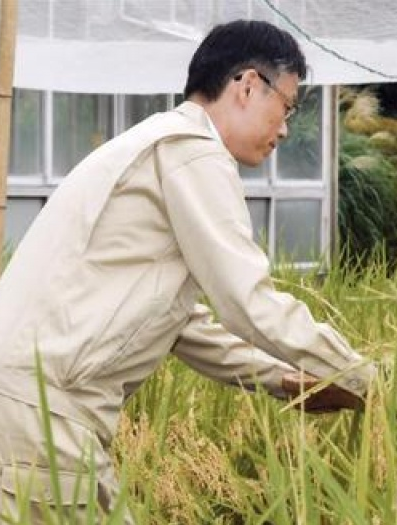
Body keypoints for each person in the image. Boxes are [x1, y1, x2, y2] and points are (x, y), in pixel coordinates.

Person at [0, 20, 374, 523]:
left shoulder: (155, 144)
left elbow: (182, 324)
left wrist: (286, 381)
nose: (285, 128)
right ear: (246, 85)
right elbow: (249, 301)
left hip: (32, 405)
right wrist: (372, 378)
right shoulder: (191, 151)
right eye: (286, 106)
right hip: (43, 412)